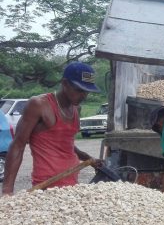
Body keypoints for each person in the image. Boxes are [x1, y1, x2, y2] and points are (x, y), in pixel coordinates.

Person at [2, 62, 104, 195]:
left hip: (72, 183)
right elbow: (17, 145)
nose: (84, 96)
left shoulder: (76, 108)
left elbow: (65, 144)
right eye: (79, 90)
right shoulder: (39, 105)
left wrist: (89, 159)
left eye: (87, 91)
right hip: (46, 186)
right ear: (65, 83)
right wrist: (7, 191)